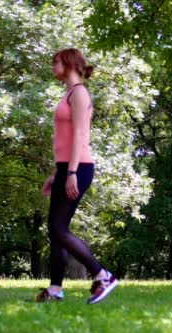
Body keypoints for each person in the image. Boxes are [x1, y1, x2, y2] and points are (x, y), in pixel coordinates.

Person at [35, 48, 117, 304]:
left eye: (55, 62)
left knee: (59, 228)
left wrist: (70, 172)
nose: (53, 67)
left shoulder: (80, 93)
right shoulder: (69, 93)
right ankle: (56, 289)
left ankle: (102, 275)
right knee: (55, 230)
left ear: (69, 63)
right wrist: (56, 173)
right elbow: (65, 139)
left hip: (79, 168)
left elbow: (81, 136)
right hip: (66, 167)